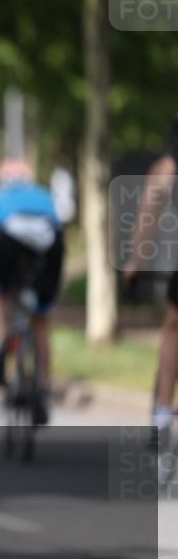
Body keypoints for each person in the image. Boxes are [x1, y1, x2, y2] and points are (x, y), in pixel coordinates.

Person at [0, 158, 65, 425]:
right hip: (49, 242)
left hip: (9, 240)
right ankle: (43, 387)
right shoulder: (43, 195)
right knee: (41, 320)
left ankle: (4, 340)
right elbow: (59, 229)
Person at [122, 115, 178, 443]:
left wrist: (135, 262)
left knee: (173, 324)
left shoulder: (168, 165)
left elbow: (149, 212)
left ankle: (161, 413)